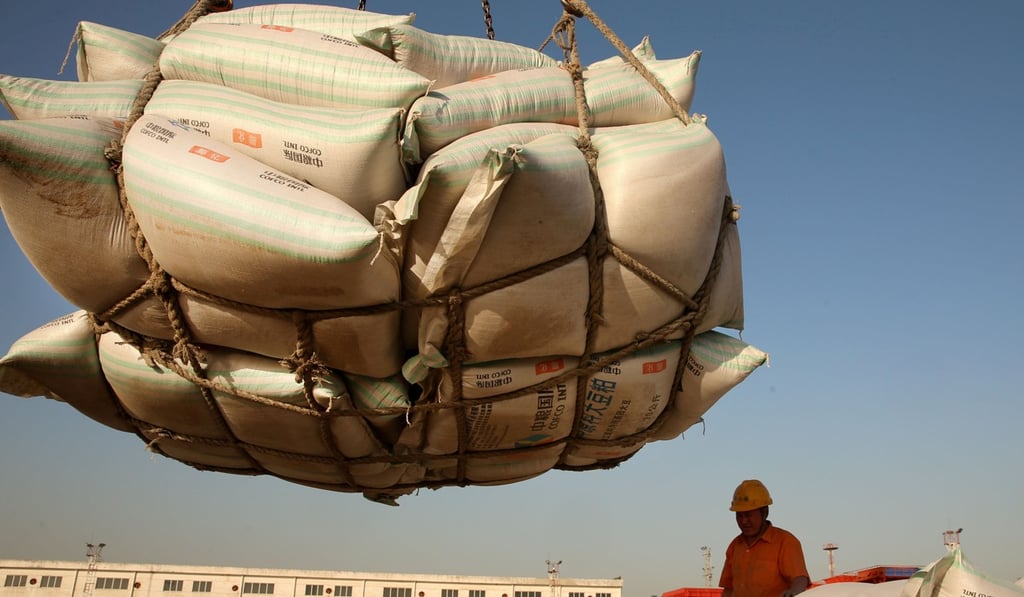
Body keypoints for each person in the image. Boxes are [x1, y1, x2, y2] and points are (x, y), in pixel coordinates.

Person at [719, 479, 811, 597]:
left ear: (764, 512)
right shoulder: (734, 546)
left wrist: (794, 592)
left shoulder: (785, 542)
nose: (744, 521)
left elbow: (800, 580)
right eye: (739, 515)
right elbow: (728, 589)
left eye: (748, 515)